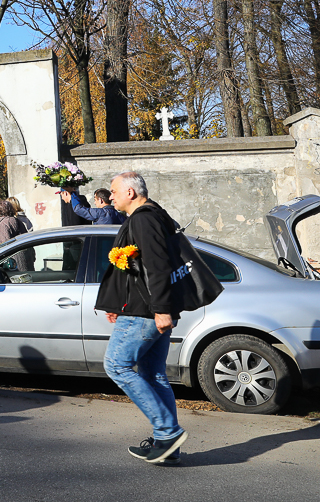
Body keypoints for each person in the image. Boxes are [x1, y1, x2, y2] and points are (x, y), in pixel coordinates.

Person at [96, 171, 188, 464]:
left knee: (116, 365)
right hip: (143, 307)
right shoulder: (153, 215)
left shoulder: (143, 219)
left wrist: (161, 309)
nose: (110, 197)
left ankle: (168, 431)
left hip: (145, 311)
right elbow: (136, 267)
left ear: (130, 193)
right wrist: (117, 301)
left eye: (113, 191)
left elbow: (158, 265)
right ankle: (167, 446)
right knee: (153, 375)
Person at [0, 199, 30, 271]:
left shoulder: (4, 224)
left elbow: (4, 247)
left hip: (13, 266)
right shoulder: (17, 221)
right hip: (25, 260)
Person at [59, 187, 127, 226]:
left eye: (95, 200)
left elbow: (78, 209)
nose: (94, 203)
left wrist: (72, 193)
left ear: (100, 200)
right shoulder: (120, 215)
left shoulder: (100, 213)